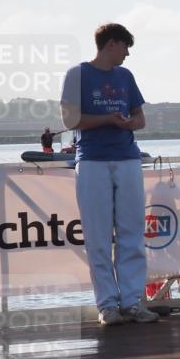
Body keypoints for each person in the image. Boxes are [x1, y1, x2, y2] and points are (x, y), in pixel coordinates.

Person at [60, 23, 157, 326]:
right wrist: (107, 119)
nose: (128, 53)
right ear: (111, 44)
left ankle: (132, 302)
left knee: (131, 234)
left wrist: (129, 123)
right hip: (92, 161)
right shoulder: (77, 74)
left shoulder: (125, 77)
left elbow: (141, 118)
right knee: (98, 237)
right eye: (125, 46)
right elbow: (69, 119)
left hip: (127, 159)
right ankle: (107, 306)